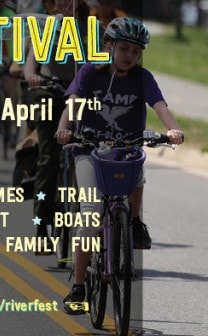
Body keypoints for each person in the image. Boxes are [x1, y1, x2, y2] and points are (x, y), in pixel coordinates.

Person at [55, 17, 184, 315]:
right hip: (89, 149)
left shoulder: (143, 78)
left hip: (126, 147)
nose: (130, 56)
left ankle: (134, 223)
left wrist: (173, 130)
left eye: (136, 52)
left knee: (138, 174)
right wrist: (65, 129)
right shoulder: (90, 72)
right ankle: (79, 286)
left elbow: (160, 106)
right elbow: (73, 102)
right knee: (89, 218)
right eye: (124, 48)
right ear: (108, 46)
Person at [23, 0, 86, 252]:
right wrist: (31, 76)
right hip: (49, 92)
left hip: (81, 97)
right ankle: (41, 227)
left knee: (93, 152)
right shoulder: (45, 27)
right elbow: (30, 63)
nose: (64, 2)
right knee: (49, 157)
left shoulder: (91, 30)